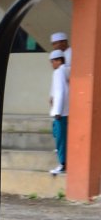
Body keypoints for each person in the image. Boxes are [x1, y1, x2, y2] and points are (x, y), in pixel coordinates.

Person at [48, 48, 69, 176]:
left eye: (53, 61)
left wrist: (57, 110)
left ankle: (62, 165)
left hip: (60, 113)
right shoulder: (65, 71)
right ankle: (62, 161)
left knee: (60, 139)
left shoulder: (58, 72)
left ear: (58, 60)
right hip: (64, 112)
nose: (52, 64)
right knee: (57, 134)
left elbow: (61, 91)